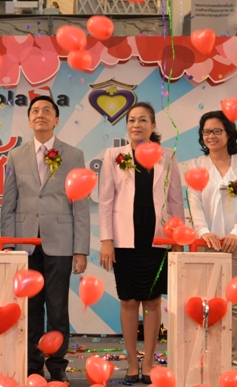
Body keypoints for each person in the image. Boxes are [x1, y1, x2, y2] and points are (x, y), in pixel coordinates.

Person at [1, 95, 89, 383]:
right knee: (31, 308)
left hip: (60, 243)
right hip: (25, 244)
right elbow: (9, 203)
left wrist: (80, 249)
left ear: (56, 119)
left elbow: (80, 205)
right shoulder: (15, 155)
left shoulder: (73, 155)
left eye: (47, 111)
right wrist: (9, 244)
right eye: (35, 111)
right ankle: (32, 362)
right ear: (29, 120)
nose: (40, 114)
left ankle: (57, 364)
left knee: (58, 308)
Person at [98, 102, 183, 385]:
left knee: (153, 300)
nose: (136, 125)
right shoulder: (114, 155)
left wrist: (178, 240)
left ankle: (148, 363)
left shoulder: (168, 156)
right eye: (132, 120)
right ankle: (132, 362)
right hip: (124, 239)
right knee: (128, 300)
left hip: (156, 238)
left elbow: (175, 201)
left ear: (153, 125)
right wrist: (106, 240)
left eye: (143, 120)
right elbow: (105, 201)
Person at [187, 110, 237, 369]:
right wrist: (204, 232)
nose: (211, 136)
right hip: (208, 244)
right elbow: (194, 202)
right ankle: (207, 362)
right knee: (206, 303)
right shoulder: (196, 166)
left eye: (217, 130)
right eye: (207, 132)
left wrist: (236, 234)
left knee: (234, 305)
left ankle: (231, 365)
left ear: (229, 133)